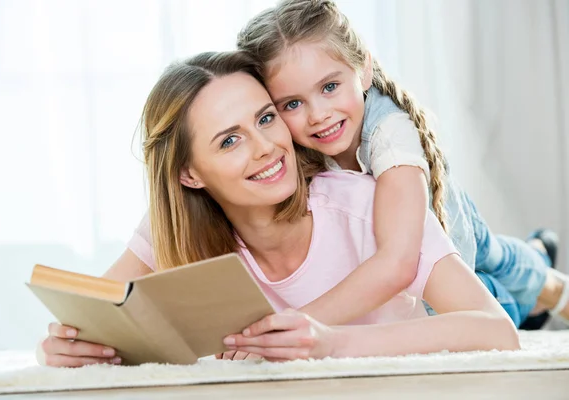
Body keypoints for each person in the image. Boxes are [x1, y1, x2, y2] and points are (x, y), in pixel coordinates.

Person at [37, 51, 519, 367]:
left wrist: (330, 342)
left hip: (456, 233)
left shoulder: (367, 206)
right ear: (190, 174)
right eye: (230, 140)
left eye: (266, 118)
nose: (267, 147)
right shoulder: (176, 229)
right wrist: (56, 347)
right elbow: (92, 312)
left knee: (511, 278)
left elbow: (498, 331)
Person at [236, 0, 568, 330]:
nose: (318, 114)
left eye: (330, 87)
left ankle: (543, 270)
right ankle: (538, 265)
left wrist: (300, 321)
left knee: (491, 271)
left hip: (447, 220)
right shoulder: (283, 148)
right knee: (497, 270)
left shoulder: (391, 135)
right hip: (410, 240)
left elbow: (399, 261)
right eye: (293, 103)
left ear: (363, 69)